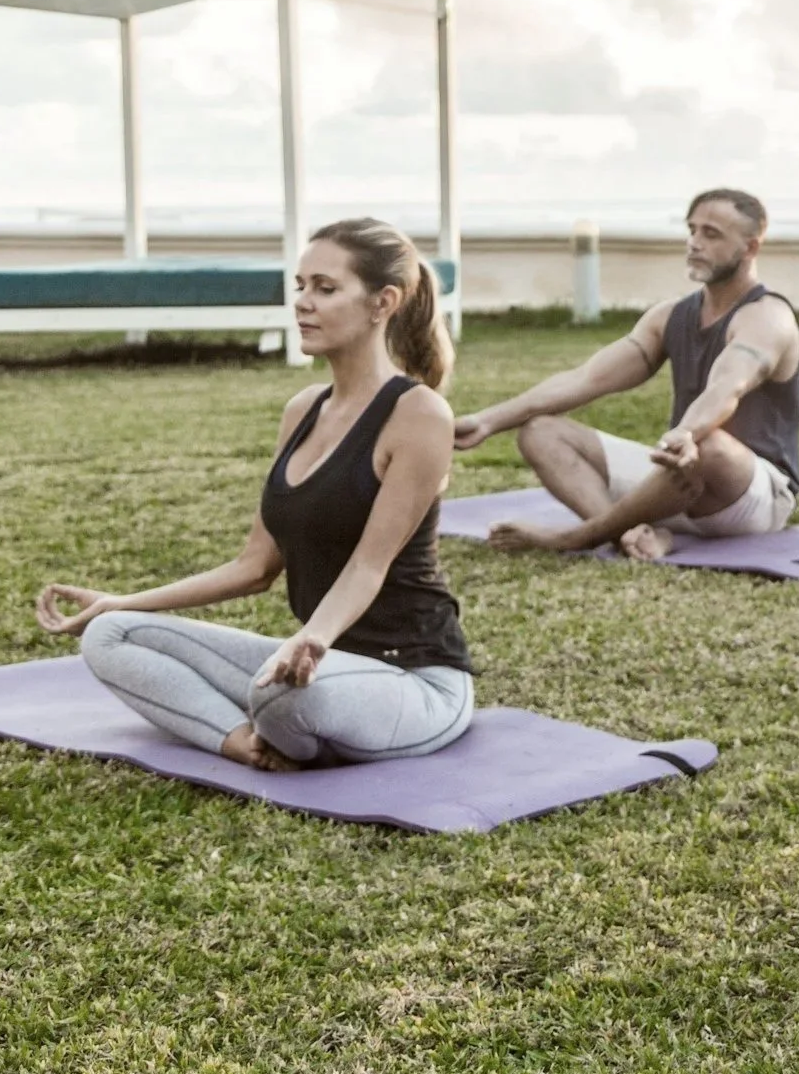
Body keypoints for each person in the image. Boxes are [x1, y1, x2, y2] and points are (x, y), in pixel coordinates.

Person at [35, 219, 474, 773]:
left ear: (382, 302)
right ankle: (242, 742)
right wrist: (121, 601)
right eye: (300, 286)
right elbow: (254, 566)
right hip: (321, 662)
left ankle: (280, 720)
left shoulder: (418, 414)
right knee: (110, 635)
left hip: (413, 678)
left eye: (325, 288)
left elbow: (368, 566)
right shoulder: (303, 410)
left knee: (282, 695)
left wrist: (312, 636)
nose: (303, 304)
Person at [454, 187, 799, 561]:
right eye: (692, 230)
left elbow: (728, 385)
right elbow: (586, 379)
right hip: (678, 477)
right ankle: (633, 533)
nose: (694, 243)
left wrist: (687, 434)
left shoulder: (768, 317)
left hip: (750, 495)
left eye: (712, 234)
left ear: (751, 248)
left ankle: (581, 536)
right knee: (541, 431)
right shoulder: (670, 316)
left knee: (711, 445)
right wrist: (487, 422)